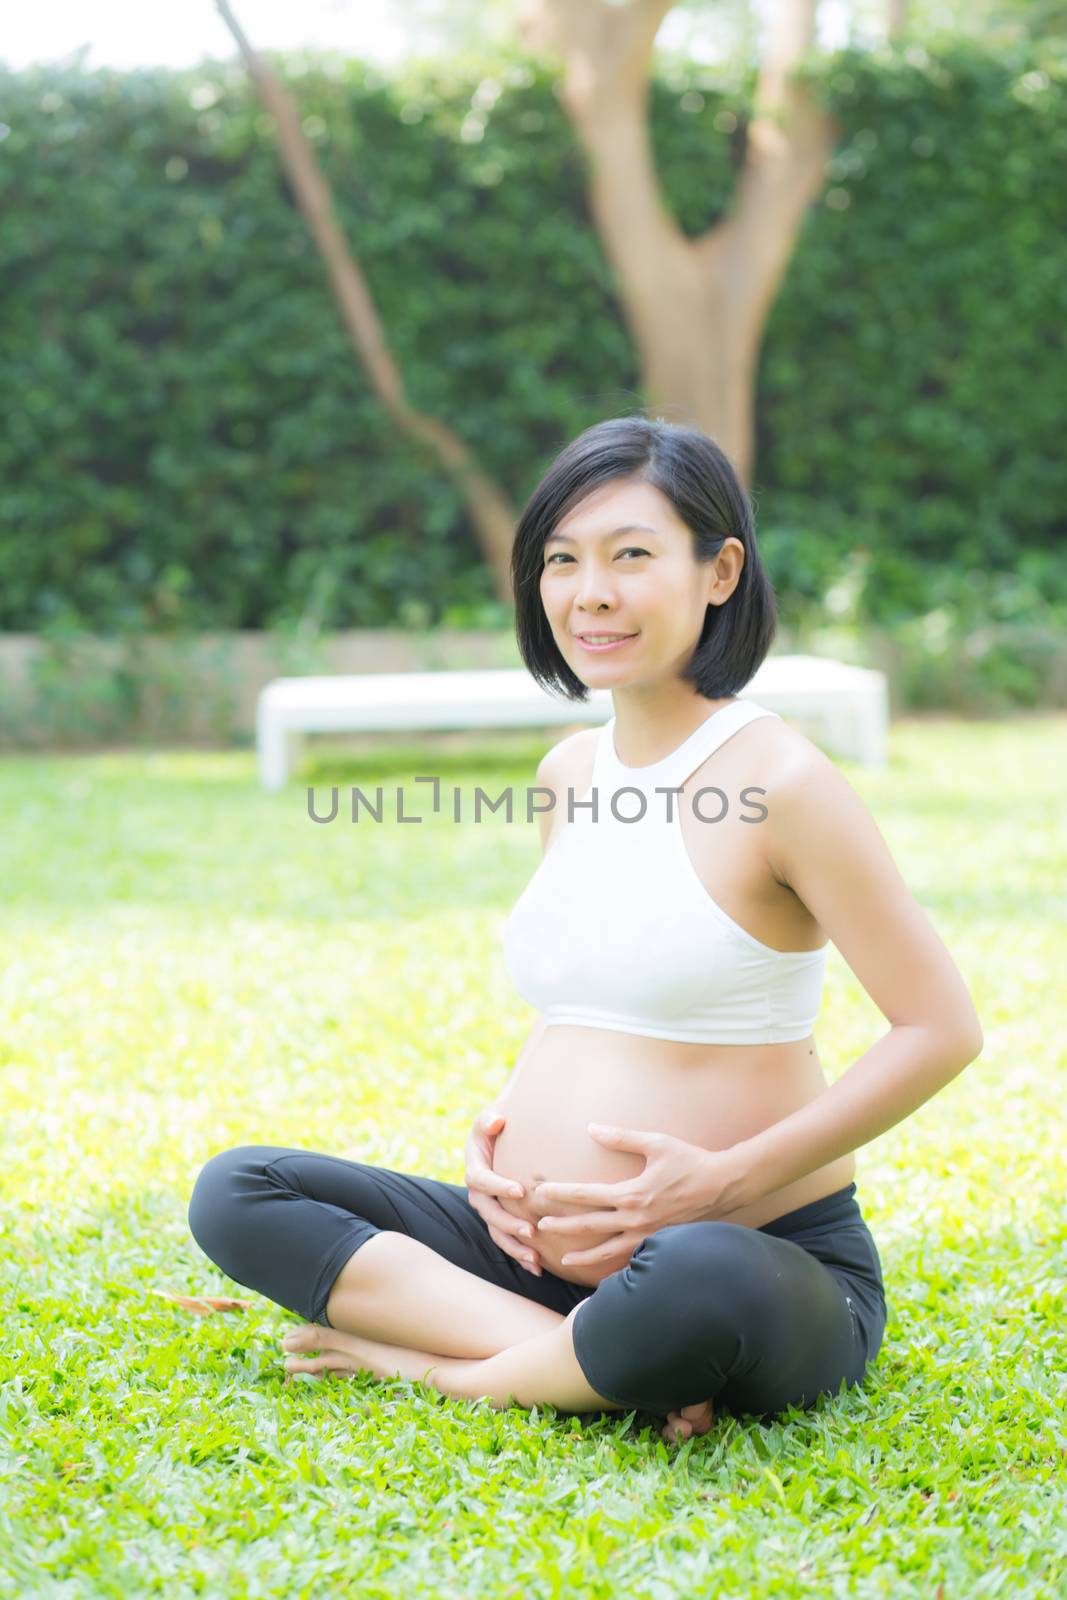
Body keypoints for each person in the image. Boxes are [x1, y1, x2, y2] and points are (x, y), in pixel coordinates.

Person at [188, 415, 983, 1443]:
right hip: (530, 1251)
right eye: (560, 560)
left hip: (744, 1254)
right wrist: (495, 1150)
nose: (587, 592)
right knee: (240, 1191)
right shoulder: (567, 773)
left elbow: (939, 1029)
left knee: (695, 1277)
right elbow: (590, 998)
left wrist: (721, 1180)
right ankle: (587, 1358)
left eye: (630, 556)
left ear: (719, 571)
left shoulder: (780, 782)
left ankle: (451, 1367)